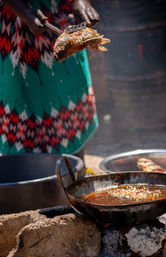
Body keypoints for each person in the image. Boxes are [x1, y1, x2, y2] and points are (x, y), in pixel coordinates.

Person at [0, 0, 100, 161]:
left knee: (72, 103)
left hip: (61, 16)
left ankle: (75, 173)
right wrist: (23, 10)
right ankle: (29, 180)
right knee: (22, 107)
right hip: (17, 25)